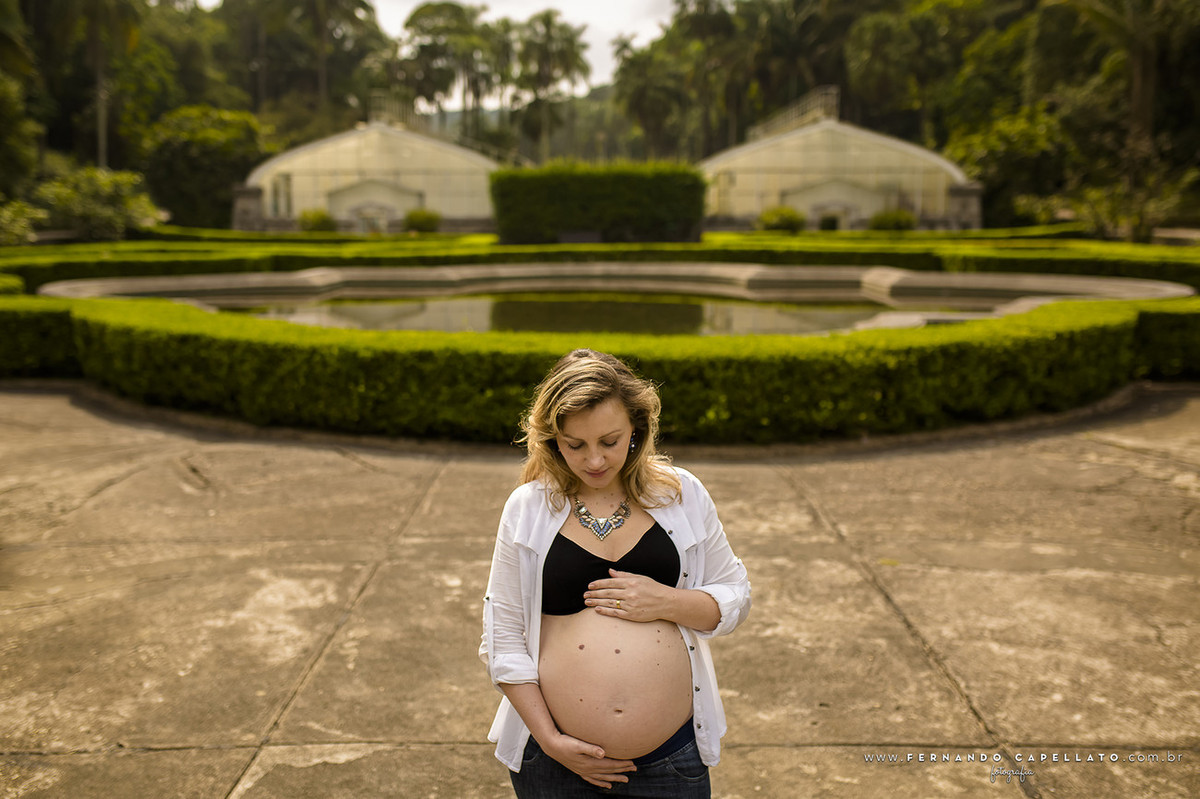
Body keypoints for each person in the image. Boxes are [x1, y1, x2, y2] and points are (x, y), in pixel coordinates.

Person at [479, 348, 752, 798]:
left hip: (672, 759)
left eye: (610, 441)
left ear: (637, 430)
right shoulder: (528, 508)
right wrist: (552, 741)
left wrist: (667, 602)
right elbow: (502, 636)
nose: (595, 461)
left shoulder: (681, 494)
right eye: (575, 445)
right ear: (553, 440)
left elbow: (735, 595)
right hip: (555, 762)